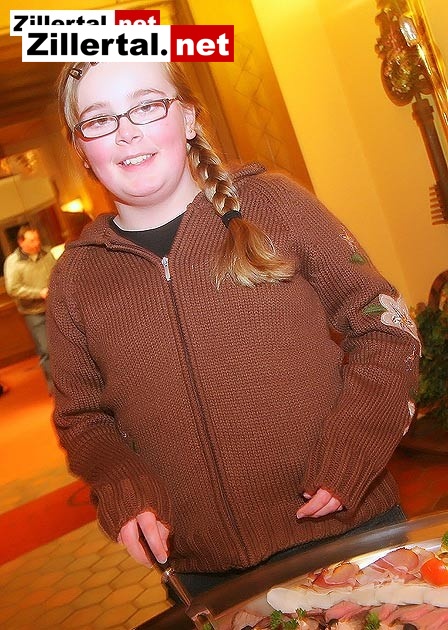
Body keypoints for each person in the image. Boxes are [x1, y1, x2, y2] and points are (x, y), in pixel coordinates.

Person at [48, 61, 420, 598]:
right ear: (81, 148)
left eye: (147, 106)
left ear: (188, 118)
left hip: (349, 534)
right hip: (205, 574)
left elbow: (386, 325)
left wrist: (355, 443)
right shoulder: (75, 278)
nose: (126, 131)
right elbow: (82, 418)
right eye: (99, 119)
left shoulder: (273, 203)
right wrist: (123, 484)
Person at [4, 225, 57, 393]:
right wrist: (38, 293)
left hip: (53, 306)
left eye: (37, 239)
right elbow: (13, 288)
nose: (37, 243)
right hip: (33, 312)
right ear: (21, 242)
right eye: (32, 240)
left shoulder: (47, 254)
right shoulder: (13, 262)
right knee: (46, 349)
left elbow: (57, 273)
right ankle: (55, 388)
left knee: (62, 346)